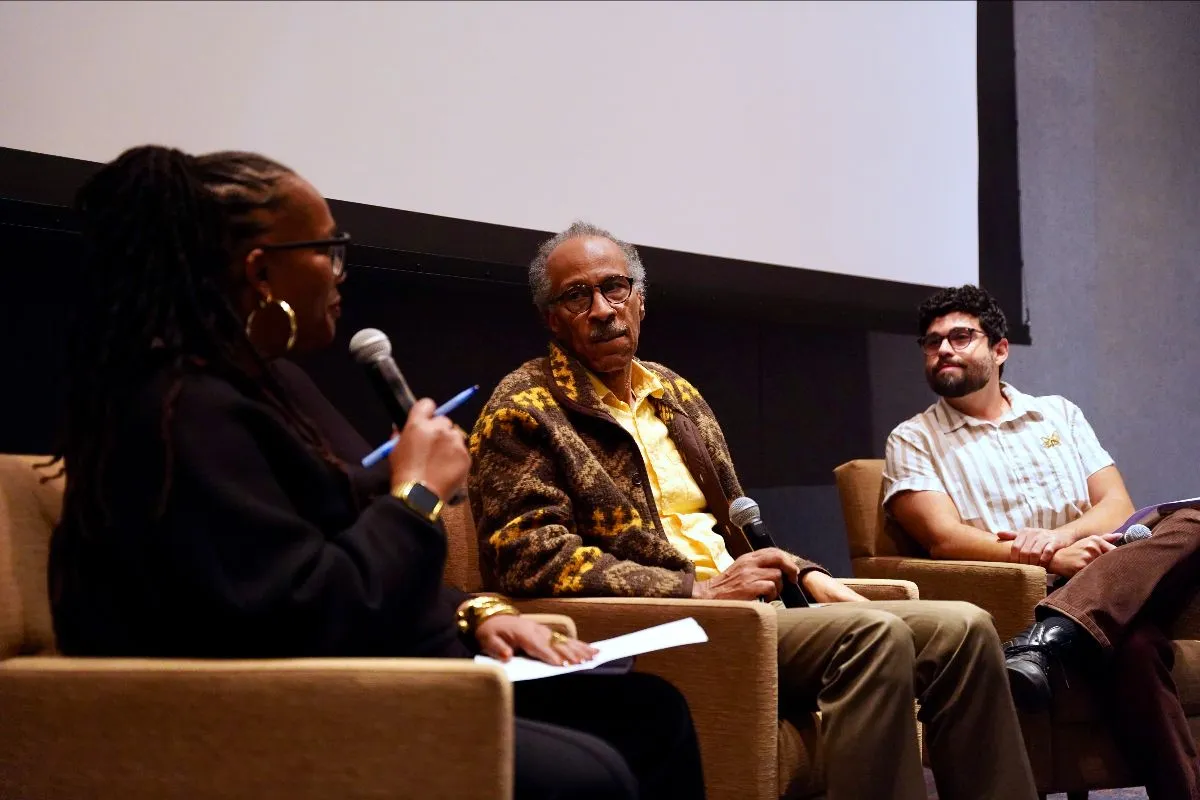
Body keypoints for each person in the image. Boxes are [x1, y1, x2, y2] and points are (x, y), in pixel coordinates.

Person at [47, 146, 707, 800]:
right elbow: (310, 607)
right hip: (287, 712)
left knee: (654, 714)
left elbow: (355, 552)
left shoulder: (275, 385)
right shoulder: (181, 413)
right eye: (325, 250)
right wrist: (418, 493)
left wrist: (476, 615)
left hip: (384, 666)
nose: (340, 273)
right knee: (594, 775)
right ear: (260, 272)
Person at [467, 221, 1038, 800]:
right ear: (552, 317)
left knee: (965, 626)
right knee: (872, 634)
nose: (602, 309)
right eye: (576, 296)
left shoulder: (674, 393)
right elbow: (526, 557)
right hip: (663, 622)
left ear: (640, 300)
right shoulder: (524, 409)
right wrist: (695, 591)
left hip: (746, 606)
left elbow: (740, 528)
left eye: (616, 288)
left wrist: (805, 572)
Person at [884, 284, 1200, 800]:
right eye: (931, 341)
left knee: (1193, 518)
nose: (943, 349)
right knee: (1135, 649)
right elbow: (942, 538)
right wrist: (1051, 556)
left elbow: (1116, 506)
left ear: (1000, 349)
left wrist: (1062, 538)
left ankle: (1056, 637)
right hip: (1030, 586)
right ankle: (1066, 629)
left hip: (1107, 566)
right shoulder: (913, 438)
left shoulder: (1058, 413)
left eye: (960, 336)